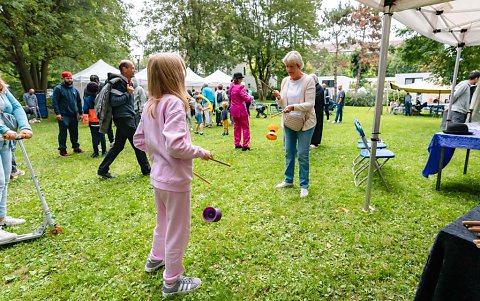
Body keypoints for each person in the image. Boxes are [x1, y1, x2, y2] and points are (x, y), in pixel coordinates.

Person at [133, 52, 212, 297]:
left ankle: (155, 258)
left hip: (159, 178)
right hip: (174, 181)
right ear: (176, 75)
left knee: (163, 223)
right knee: (178, 229)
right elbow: (177, 146)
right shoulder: (174, 103)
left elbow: (139, 140)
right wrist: (200, 151)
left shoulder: (150, 104)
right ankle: (172, 280)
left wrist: (159, 156)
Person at [272, 50, 316, 198]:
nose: (289, 70)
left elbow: (310, 104)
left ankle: (304, 185)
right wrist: (279, 98)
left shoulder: (308, 80)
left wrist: (294, 107)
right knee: (289, 152)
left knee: (303, 154)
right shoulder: (285, 80)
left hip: (305, 123)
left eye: (292, 66)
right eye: (287, 66)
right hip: (289, 122)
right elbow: (283, 103)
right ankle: (288, 180)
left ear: (299, 65)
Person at [97, 60, 151, 178]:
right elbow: (114, 101)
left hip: (125, 117)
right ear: (124, 69)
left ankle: (103, 169)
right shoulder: (119, 83)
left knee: (118, 146)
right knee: (137, 142)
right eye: (132, 68)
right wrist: (128, 94)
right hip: (124, 118)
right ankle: (146, 169)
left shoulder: (125, 82)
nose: (134, 70)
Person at [0, 76, 33, 243]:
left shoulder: (3, 89)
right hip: (4, 134)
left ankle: (1, 218)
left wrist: (25, 126)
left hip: (4, 141)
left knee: (5, 179)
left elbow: (16, 107)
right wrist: (4, 128)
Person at [52, 71, 83, 157]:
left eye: (70, 78)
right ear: (63, 79)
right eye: (67, 78)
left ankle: (76, 147)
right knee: (63, 133)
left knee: (74, 132)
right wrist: (57, 113)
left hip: (73, 114)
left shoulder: (74, 89)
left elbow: (79, 102)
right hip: (63, 115)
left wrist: (80, 113)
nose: (70, 80)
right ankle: (62, 150)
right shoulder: (58, 89)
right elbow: (55, 102)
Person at [230, 72, 253, 151]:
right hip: (241, 110)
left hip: (234, 109)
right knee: (245, 127)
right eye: (241, 78)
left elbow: (230, 96)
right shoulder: (241, 87)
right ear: (239, 79)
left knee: (236, 127)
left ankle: (237, 143)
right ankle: (245, 145)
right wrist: (251, 98)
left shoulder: (231, 86)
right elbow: (246, 98)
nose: (242, 80)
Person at [82, 82, 106, 158]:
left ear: (88, 90)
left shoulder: (87, 99)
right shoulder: (101, 98)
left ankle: (96, 153)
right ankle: (104, 151)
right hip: (101, 119)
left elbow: (85, 109)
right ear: (98, 89)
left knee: (94, 136)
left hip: (92, 120)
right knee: (102, 136)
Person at [310, 74, 325, 148]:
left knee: (317, 126)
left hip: (318, 111)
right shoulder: (315, 87)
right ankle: (312, 141)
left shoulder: (319, 88)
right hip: (314, 110)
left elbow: (316, 99)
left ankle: (315, 142)